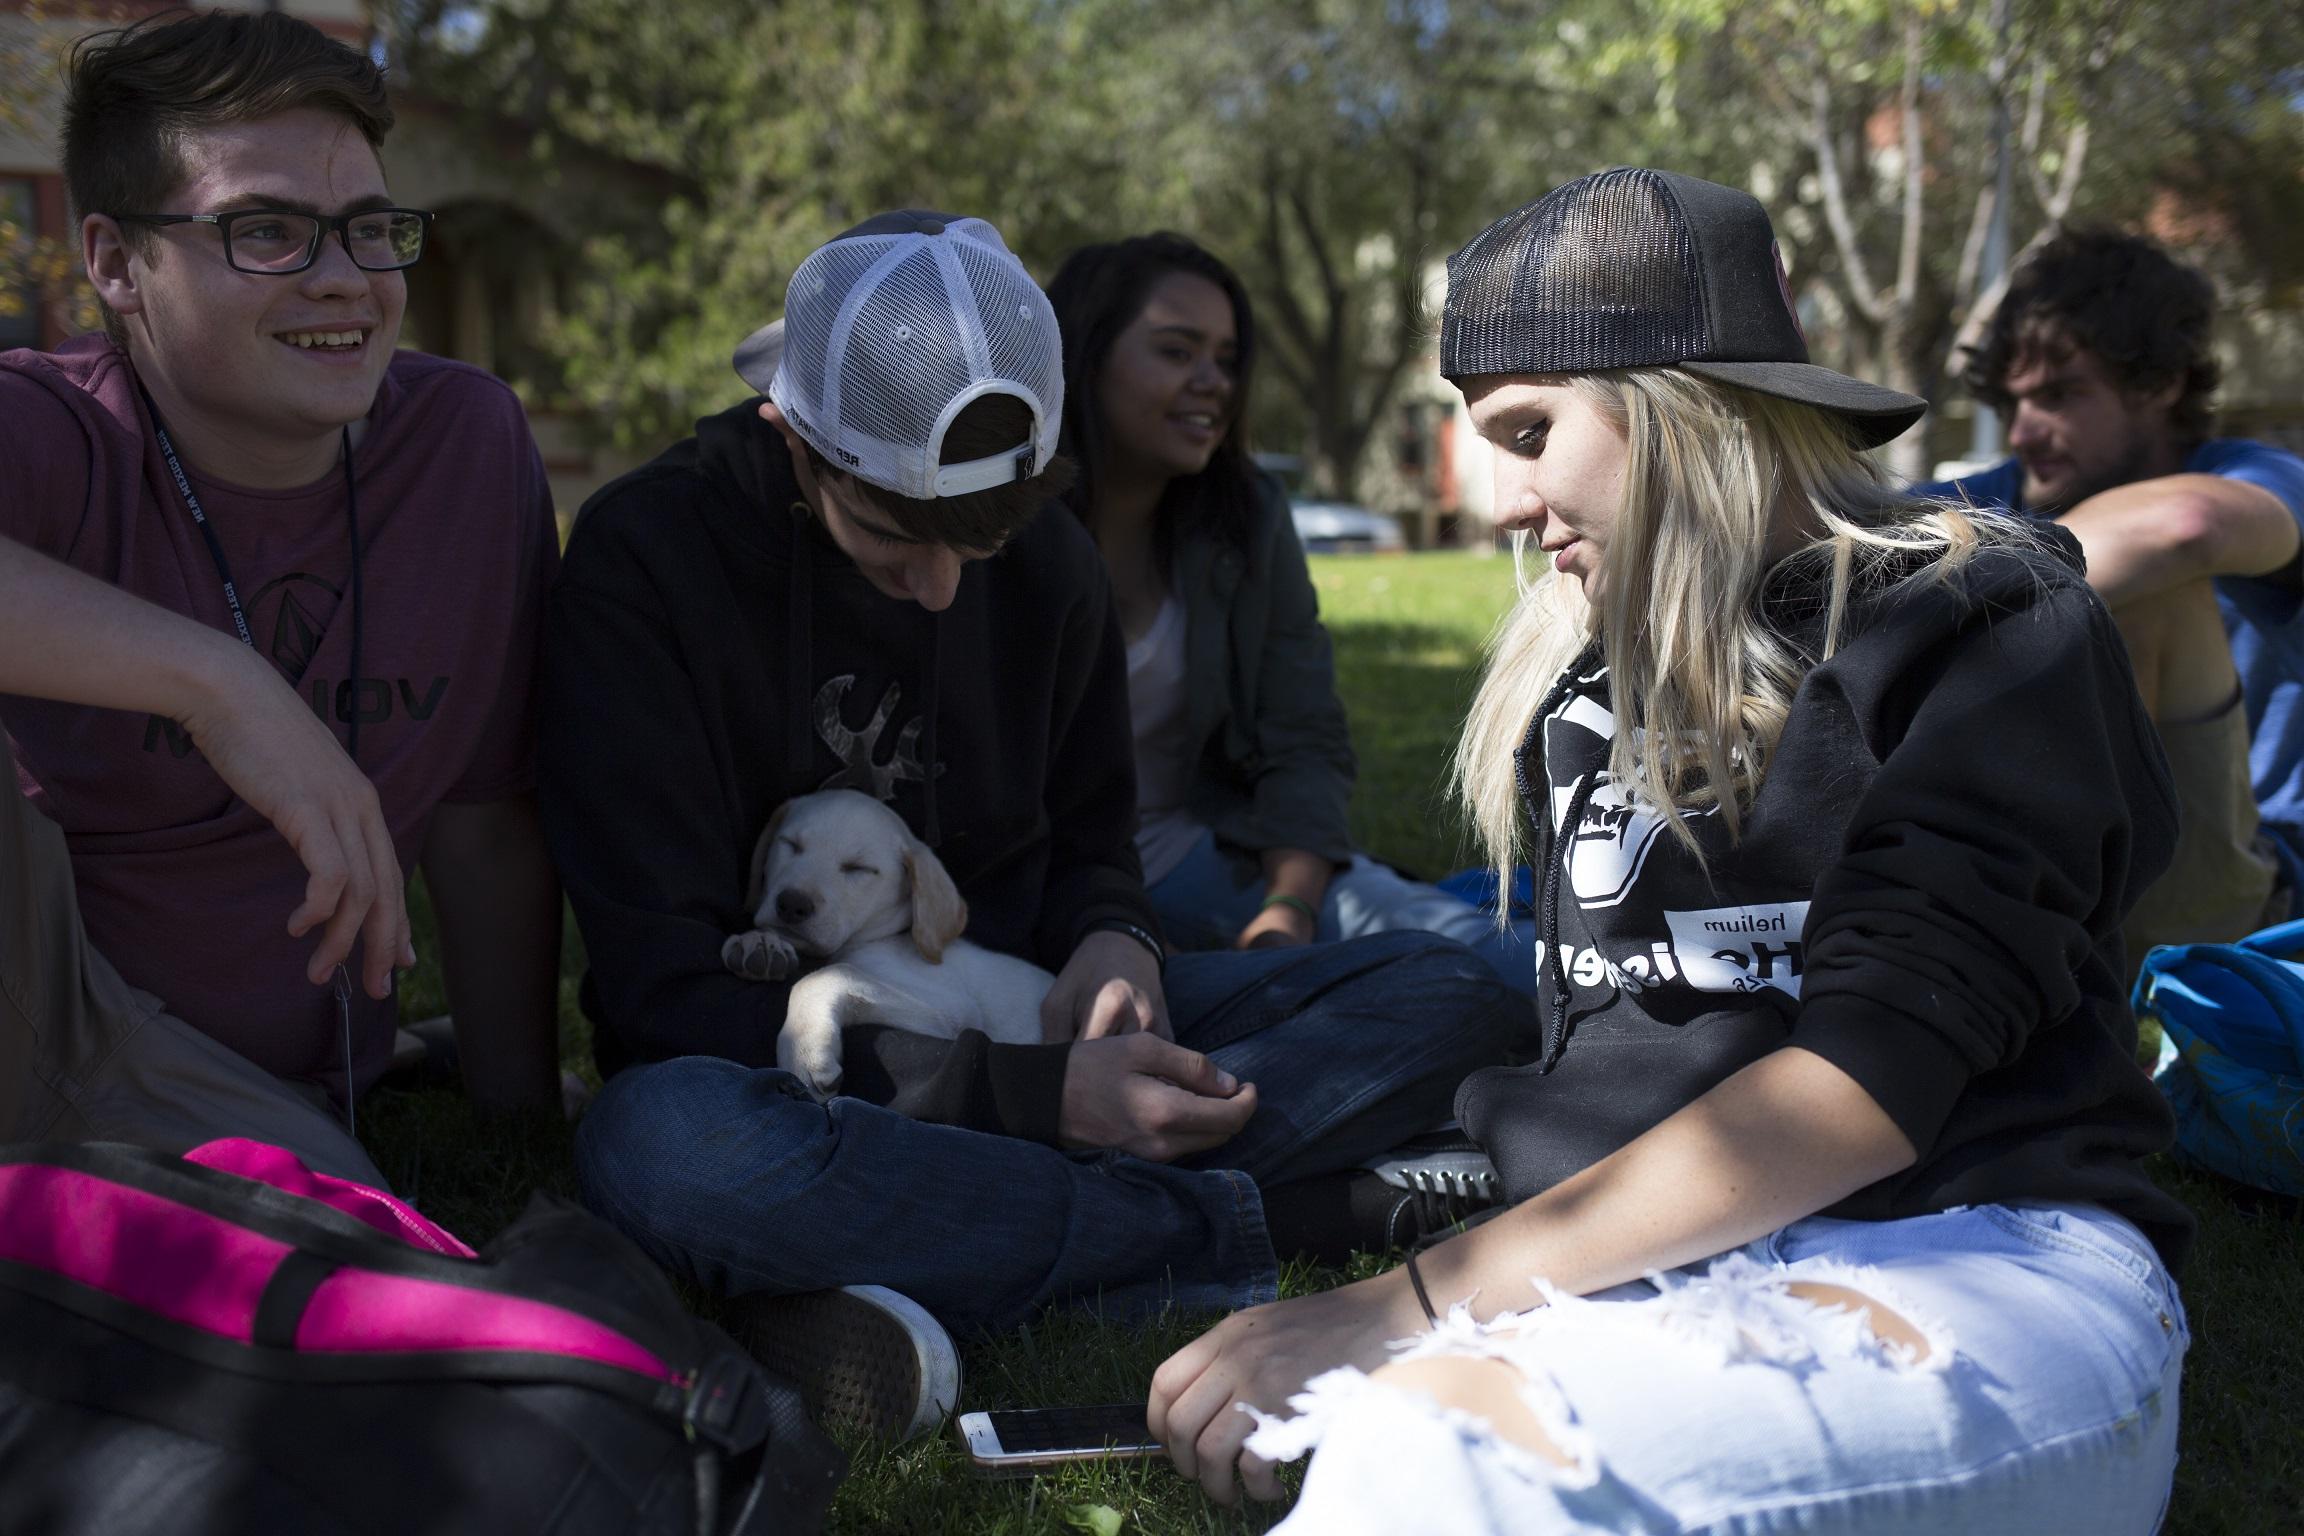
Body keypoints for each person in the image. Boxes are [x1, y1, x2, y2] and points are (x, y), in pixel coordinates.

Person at [1146, 169, 2193, 1533]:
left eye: (1531, 430)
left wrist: (1408, 1304)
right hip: (1647, 1270)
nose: (1504, 505)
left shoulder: (1980, 622)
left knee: (1437, 1466)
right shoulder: (1579, 683)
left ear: (1680, 401)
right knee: (1383, 1450)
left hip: (1976, 1248)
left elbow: (1865, 1086)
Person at [540, 211, 1517, 1438]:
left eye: (982, 543)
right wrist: (1031, 1100)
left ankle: (918, 1252)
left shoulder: (1048, 557)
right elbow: (657, 989)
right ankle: (1301, 1219)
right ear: (794, 437)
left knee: (1446, 991)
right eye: (894, 539)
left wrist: (1116, 940)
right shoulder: (651, 556)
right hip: (782, 1067)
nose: (945, 588)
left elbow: (1093, 837)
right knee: (660, 1150)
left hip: (1026, 998)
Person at [0, 11, 563, 1186]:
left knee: (338, 1235)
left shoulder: (465, 444)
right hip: (48, 1030)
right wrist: (219, 683)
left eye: (369, 231)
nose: (345, 281)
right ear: (113, 262)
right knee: (326, 1263)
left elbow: (483, 820)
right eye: (266, 231)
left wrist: (524, 1139)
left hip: (284, 1089)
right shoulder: (50, 427)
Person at [1041, 234, 1527, 985]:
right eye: (1176, 352)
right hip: (1049, 900)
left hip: (1203, 862)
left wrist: (1287, 910)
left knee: (1492, 966)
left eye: (1227, 361)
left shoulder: (1246, 518)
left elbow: (1300, 736)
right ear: (1086, 355)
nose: (1214, 382)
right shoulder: (1003, 533)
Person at [1920, 230, 2304, 966]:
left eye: (2061, 396)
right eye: (2013, 400)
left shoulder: (2253, 473)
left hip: (2234, 893)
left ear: (2159, 385)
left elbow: (2183, 528)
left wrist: (1940, 613)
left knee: (2151, 590)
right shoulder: (1989, 500)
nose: (2024, 430)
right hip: (2046, 868)